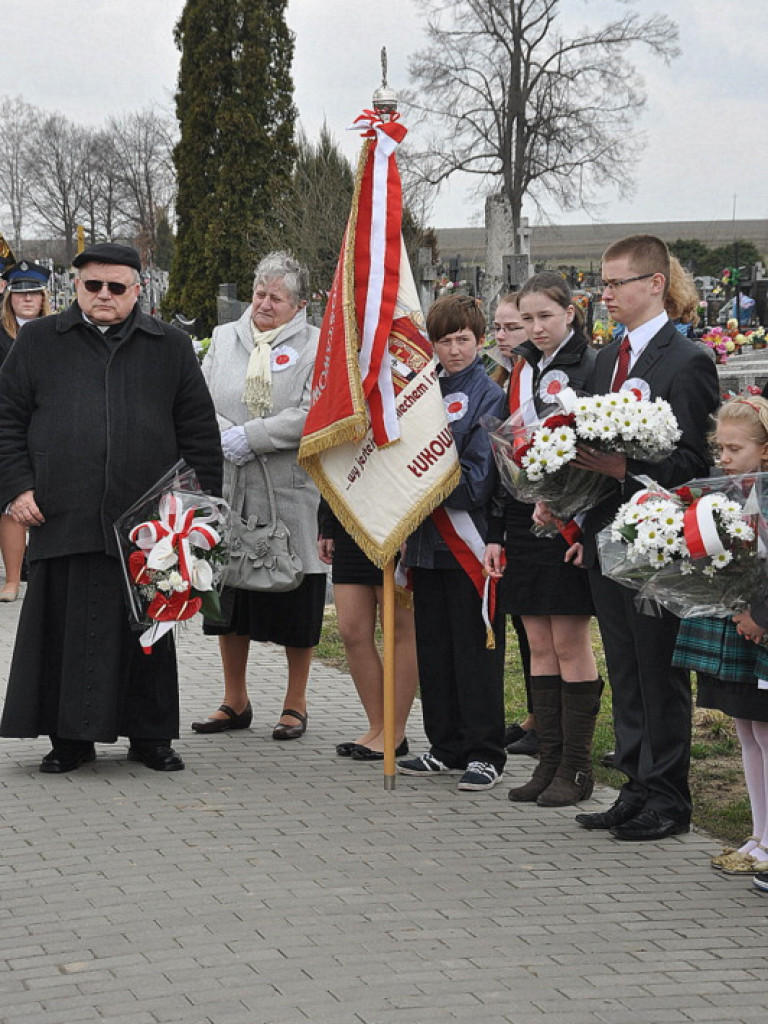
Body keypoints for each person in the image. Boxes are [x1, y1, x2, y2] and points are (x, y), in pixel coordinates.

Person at [0, 242, 222, 773]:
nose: (103, 295)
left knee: (147, 633)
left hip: (148, 523)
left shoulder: (168, 345)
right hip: (61, 511)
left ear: (137, 291)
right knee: (62, 629)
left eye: (116, 287)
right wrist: (17, 487)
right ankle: (70, 741)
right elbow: (7, 420)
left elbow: (198, 431)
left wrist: (195, 513)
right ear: (74, 287)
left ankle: (150, 739)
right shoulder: (37, 343)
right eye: (92, 285)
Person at [572, 234, 720, 840]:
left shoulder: (687, 360)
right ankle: (635, 783)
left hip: (656, 537)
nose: (604, 294)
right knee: (627, 663)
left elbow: (697, 463)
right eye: (602, 284)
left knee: (657, 668)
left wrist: (626, 471)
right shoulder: (604, 361)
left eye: (616, 283)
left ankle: (669, 797)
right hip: (606, 533)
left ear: (654, 283)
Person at [192, 252, 325, 741]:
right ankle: (235, 699)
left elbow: (316, 411)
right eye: (259, 293)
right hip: (228, 483)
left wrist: (257, 436)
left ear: (300, 303)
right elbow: (198, 396)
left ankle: (296, 702)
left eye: (277, 297)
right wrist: (224, 433)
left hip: (288, 489)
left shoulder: (317, 345)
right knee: (229, 600)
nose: (264, 304)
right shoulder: (226, 337)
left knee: (294, 598)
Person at [484, 273, 601, 806]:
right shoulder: (525, 367)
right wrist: (502, 527)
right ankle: (548, 761)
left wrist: (575, 515)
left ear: (571, 312)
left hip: (570, 520)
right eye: (526, 319)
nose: (535, 328)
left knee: (570, 642)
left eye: (545, 317)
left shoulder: (592, 365)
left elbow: (599, 447)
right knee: (537, 643)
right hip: (526, 518)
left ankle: (576, 768)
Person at [397, 294, 508, 791]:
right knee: (435, 650)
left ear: (479, 341)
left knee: (474, 650)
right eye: (444, 341)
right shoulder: (418, 394)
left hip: (468, 543)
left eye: (464, 340)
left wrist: (422, 483)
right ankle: (444, 745)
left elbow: (481, 476)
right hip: (423, 544)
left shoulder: (490, 395)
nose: (455, 350)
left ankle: (485, 751)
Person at [672, 396, 768, 873]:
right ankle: (758, 835)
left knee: (766, 734)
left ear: (765, 451)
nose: (724, 458)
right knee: (748, 730)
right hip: (740, 623)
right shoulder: (730, 491)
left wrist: (761, 615)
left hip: (761, 629)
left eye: (735, 449)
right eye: (719, 448)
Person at [318, 500, 418, 760]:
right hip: (350, 521)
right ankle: (377, 725)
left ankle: (394, 731)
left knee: (397, 631)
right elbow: (330, 467)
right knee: (351, 630)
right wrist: (327, 526)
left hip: (397, 520)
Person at [489, 293, 537, 756]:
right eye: (499, 327)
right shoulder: (504, 374)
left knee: (538, 627)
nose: (503, 336)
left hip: (535, 513)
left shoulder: (535, 373)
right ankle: (534, 714)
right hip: (509, 511)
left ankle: (542, 717)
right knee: (523, 622)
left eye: (513, 327)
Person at [0, 261, 53, 602]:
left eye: (34, 293)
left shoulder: (58, 333)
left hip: (48, 426)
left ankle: (47, 574)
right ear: (9, 299)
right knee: (12, 502)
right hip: (8, 426)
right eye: (20, 294)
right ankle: (13, 580)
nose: (27, 300)